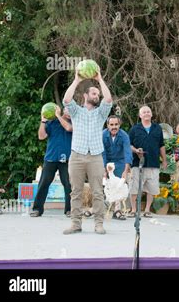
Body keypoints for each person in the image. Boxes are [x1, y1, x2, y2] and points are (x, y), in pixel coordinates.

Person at [62, 68, 113, 235]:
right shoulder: (76, 111)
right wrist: (77, 80)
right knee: (75, 191)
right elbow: (66, 99)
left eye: (97, 94)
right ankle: (76, 224)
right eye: (93, 93)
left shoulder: (101, 113)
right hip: (77, 155)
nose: (96, 96)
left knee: (98, 191)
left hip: (96, 156)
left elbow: (109, 99)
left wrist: (100, 80)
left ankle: (99, 224)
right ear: (85, 95)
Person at [30, 106, 72, 218]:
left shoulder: (74, 123)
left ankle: (69, 210)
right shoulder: (51, 123)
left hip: (66, 159)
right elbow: (41, 136)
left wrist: (58, 116)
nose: (70, 113)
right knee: (43, 183)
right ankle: (37, 209)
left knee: (68, 185)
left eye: (72, 111)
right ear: (63, 110)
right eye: (68, 110)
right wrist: (43, 121)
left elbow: (68, 128)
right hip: (51, 158)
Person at [128, 106, 167, 218]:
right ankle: (134, 209)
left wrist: (164, 160)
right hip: (137, 163)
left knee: (151, 187)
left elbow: (161, 145)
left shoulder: (157, 128)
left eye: (148, 111)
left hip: (153, 163)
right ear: (140, 115)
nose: (146, 113)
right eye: (144, 112)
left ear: (151, 114)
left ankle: (147, 210)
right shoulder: (134, 129)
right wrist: (135, 151)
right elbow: (129, 145)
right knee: (134, 187)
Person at [101, 115, 132, 220]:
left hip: (119, 161)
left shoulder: (124, 136)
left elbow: (127, 153)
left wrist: (126, 170)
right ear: (107, 125)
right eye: (111, 124)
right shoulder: (103, 135)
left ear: (119, 125)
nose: (114, 127)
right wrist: (104, 170)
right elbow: (102, 153)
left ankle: (117, 210)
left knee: (119, 183)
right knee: (103, 182)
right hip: (106, 161)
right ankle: (97, 208)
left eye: (116, 124)